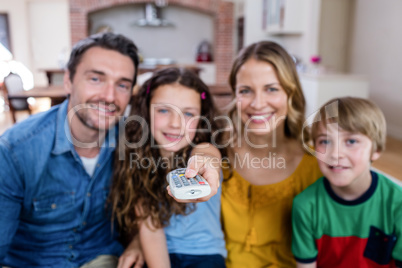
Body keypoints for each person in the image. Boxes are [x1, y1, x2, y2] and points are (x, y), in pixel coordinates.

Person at [0, 32, 144, 268]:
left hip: (102, 259)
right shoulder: (15, 151)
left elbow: (190, 152)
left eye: (122, 85)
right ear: (68, 81)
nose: (109, 96)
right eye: (96, 79)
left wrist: (139, 240)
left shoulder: (132, 140)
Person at [109, 67, 226, 268]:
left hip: (204, 255)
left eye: (188, 113)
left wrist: (208, 164)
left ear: (200, 121)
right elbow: (150, 230)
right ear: (146, 112)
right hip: (156, 250)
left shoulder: (201, 150)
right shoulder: (135, 159)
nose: (175, 123)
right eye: (163, 110)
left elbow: (208, 154)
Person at [221, 41, 323, 267]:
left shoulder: (316, 163)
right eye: (245, 91)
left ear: (291, 93)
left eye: (271, 89)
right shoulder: (217, 152)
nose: (258, 104)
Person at [292, 97, 402, 267]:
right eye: (325, 141)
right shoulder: (305, 206)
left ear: (376, 150)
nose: (336, 154)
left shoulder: (397, 204)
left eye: (351, 141)